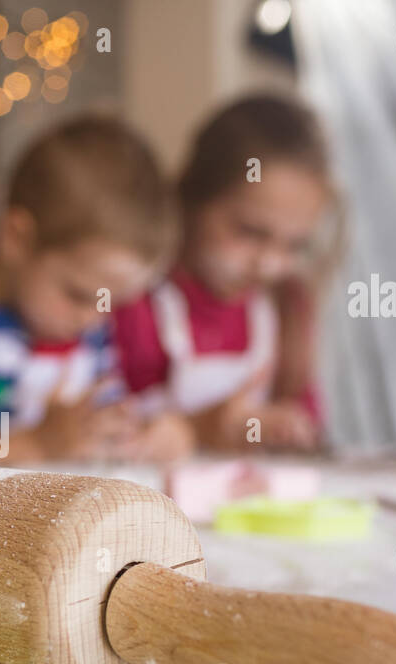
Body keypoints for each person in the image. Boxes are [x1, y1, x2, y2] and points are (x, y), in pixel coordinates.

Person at [0, 115, 194, 465]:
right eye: (78, 294)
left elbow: (107, 427)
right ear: (17, 238)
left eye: (110, 303)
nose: (94, 318)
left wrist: (146, 437)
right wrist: (35, 446)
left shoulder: (92, 339)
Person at [113, 94, 340, 452]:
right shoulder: (132, 298)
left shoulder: (285, 307)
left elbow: (307, 427)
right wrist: (198, 429)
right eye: (250, 232)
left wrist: (292, 431)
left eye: (294, 246)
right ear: (192, 199)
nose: (269, 264)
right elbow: (100, 439)